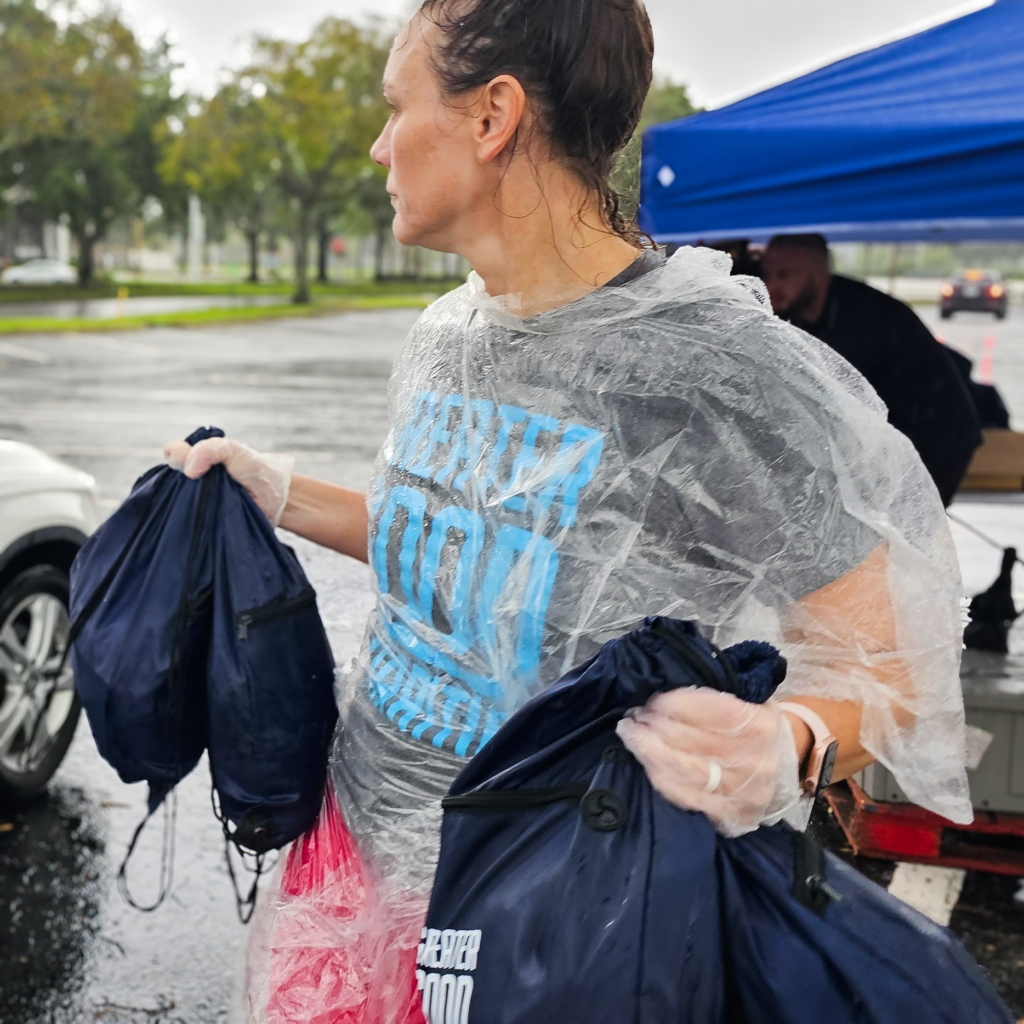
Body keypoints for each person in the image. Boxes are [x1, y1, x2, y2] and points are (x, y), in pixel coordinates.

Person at [165, 3, 971, 1018]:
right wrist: (275, 490)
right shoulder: (448, 333)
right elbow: (468, 546)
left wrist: (789, 742)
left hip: (560, 914)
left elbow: (889, 662)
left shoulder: (716, 365)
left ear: (492, 115)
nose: (378, 144)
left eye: (394, 106)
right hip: (354, 862)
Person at [761, 233, 983, 505]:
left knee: (892, 533)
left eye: (784, 275)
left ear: (818, 273)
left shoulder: (861, 322)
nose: (771, 285)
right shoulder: (802, 311)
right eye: (767, 274)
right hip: (892, 437)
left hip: (937, 438)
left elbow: (830, 410)